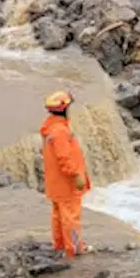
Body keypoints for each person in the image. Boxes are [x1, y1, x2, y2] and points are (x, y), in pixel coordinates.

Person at [41, 91, 91, 258]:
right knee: (71, 217)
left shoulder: (50, 128)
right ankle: (75, 249)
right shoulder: (60, 131)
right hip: (66, 183)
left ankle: (60, 245)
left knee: (58, 215)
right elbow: (64, 158)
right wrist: (76, 175)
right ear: (64, 108)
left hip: (55, 183)